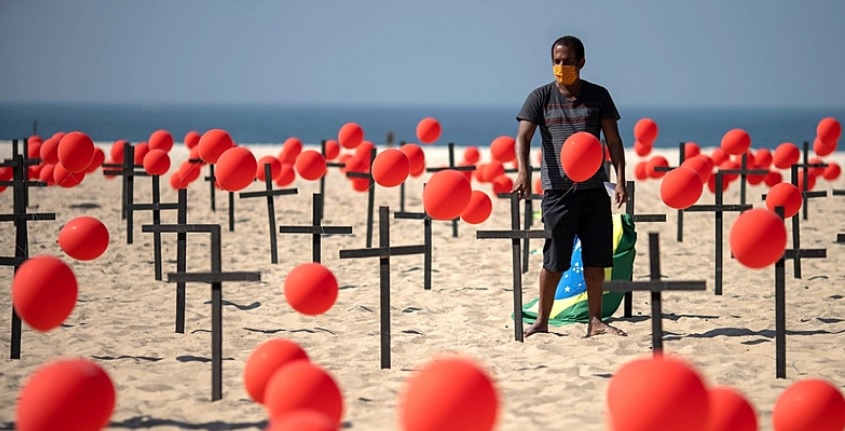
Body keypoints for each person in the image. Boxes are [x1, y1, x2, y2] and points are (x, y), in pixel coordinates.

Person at [511, 35, 628, 338]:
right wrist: (524, 173)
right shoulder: (540, 97)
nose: (561, 67)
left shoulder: (598, 96)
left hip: (593, 191)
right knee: (554, 260)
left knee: (595, 259)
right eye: (557, 62)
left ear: (581, 63)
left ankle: (595, 321)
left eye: (568, 62)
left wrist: (621, 179)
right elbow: (522, 137)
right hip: (558, 193)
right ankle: (541, 321)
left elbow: (613, 141)